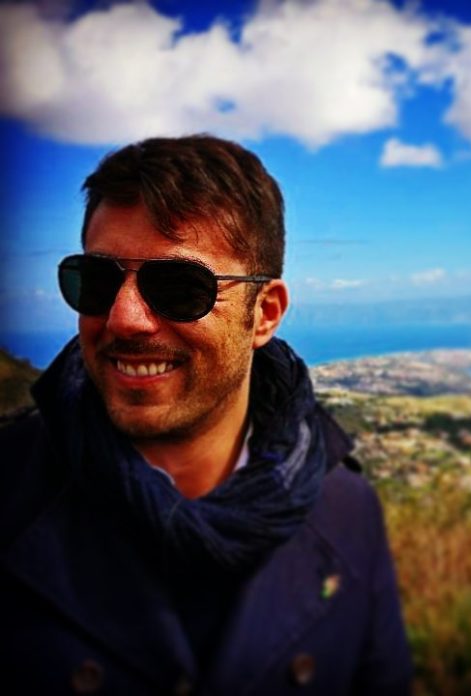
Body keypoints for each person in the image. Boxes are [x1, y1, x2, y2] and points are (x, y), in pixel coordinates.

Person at [0, 135, 412, 695]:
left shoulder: (346, 511)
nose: (124, 318)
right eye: (97, 281)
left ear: (264, 314)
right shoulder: (11, 488)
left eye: (179, 287)